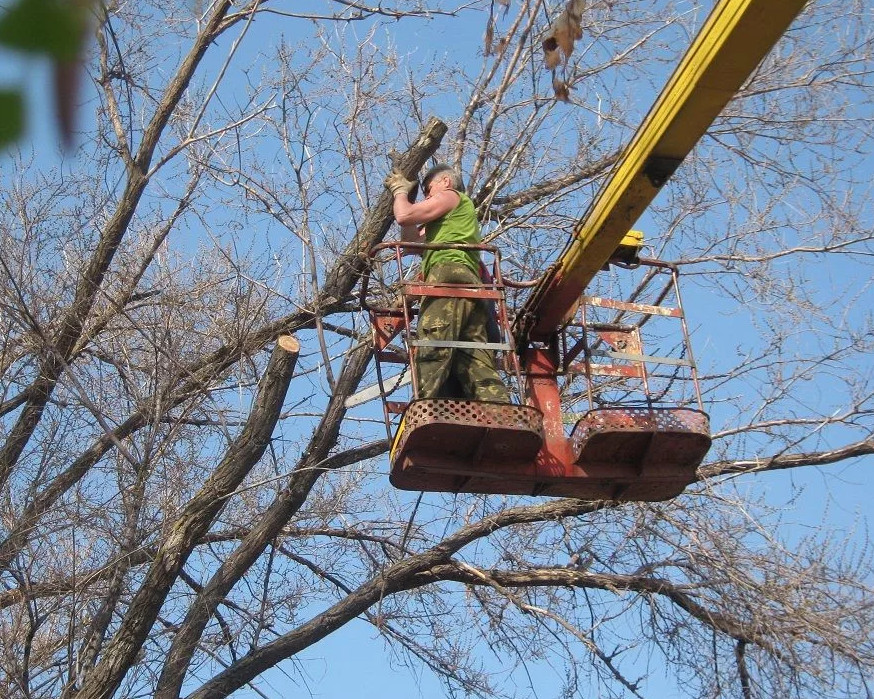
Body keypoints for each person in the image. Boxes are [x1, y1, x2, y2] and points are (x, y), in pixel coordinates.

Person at [384, 164, 509, 403]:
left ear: (446, 182)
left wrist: (400, 193)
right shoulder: (447, 222)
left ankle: (427, 408)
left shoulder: (450, 196)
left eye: (429, 191)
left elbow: (404, 216)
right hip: (470, 286)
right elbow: (410, 242)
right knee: (472, 354)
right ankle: (498, 409)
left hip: (448, 277)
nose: (429, 198)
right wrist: (408, 198)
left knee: (434, 341)